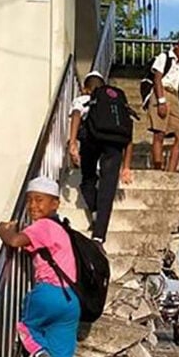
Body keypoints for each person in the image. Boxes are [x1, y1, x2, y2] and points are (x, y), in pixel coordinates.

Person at [0, 176, 80, 357]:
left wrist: (2, 230)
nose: (33, 205)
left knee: (26, 326)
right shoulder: (62, 229)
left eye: (39, 200)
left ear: (55, 204)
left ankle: (39, 354)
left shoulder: (42, 226)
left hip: (48, 292)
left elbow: (15, 241)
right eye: (30, 200)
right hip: (71, 300)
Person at [68, 71, 133, 247]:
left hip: (92, 141)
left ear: (85, 89)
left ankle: (95, 211)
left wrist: (72, 142)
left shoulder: (85, 98)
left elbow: (75, 115)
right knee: (108, 189)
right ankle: (99, 237)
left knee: (88, 180)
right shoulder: (118, 105)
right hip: (115, 145)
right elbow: (128, 135)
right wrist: (126, 167)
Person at [147, 34, 179, 172]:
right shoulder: (164, 57)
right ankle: (158, 167)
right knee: (159, 133)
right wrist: (161, 100)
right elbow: (157, 78)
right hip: (162, 91)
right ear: (178, 46)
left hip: (175, 96)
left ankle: (171, 170)